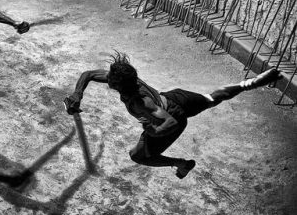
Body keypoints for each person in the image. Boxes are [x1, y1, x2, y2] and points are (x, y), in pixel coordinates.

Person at [63, 52, 282, 179]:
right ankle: (249, 83)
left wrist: (153, 130)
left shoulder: (140, 102)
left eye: (110, 78)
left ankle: (181, 163)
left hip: (170, 117)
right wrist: (77, 94)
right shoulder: (129, 81)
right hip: (176, 97)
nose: (107, 79)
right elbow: (89, 74)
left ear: (118, 85)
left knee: (137, 156)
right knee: (212, 98)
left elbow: (171, 121)